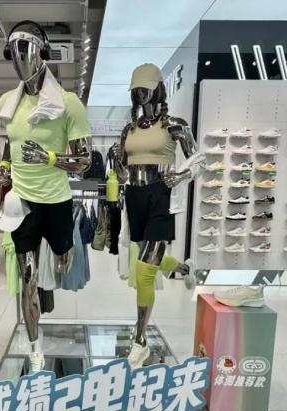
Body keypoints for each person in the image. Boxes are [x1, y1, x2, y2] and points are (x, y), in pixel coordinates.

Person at [0, 21, 91, 373]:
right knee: (29, 280)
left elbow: (85, 161)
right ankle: (35, 349)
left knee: (63, 267)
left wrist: (48, 158)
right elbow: (13, 141)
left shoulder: (69, 104)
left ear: (43, 53)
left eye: (27, 50)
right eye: (14, 52)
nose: (20, 59)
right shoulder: (8, 101)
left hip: (57, 202)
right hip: (22, 201)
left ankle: (52, 305)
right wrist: (5, 166)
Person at [111, 63, 205, 369]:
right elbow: (122, 171)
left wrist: (180, 176)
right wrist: (116, 164)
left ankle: (140, 342)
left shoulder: (174, 125)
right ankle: (183, 267)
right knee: (150, 259)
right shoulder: (129, 130)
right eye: (135, 90)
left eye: (145, 88)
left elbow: (199, 160)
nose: (140, 94)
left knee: (144, 271)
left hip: (161, 197)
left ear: (157, 89)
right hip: (135, 197)